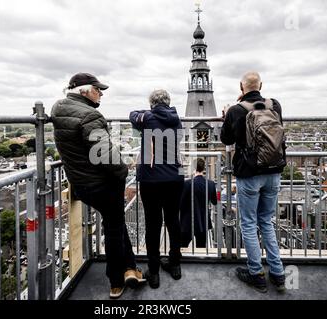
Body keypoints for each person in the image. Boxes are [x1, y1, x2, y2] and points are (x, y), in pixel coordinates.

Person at [51, 72, 145, 299]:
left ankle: (131, 268)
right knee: (114, 229)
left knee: (117, 222)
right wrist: (124, 172)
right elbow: (106, 156)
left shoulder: (58, 109)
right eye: (97, 89)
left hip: (80, 184)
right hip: (102, 185)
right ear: (83, 91)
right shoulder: (90, 115)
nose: (100, 93)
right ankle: (116, 282)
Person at [220, 71, 286, 293]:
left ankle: (256, 273)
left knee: (248, 223)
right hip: (274, 171)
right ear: (261, 85)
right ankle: (277, 273)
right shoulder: (274, 105)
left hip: (249, 173)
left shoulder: (236, 111)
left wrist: (227, 114)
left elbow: (226, 139)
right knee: (266, 221)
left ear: (241, 87)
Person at [129, 89, 184, 289]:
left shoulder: (147, 118)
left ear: (151, 104)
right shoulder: (176, 118)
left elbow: (132, 115)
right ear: (168, 103)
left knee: (153, 224)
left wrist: (149, 111)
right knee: (173, 221)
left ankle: (153, 272)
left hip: (151, 179)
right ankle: (175, 265)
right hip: (175, 177)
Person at [180, 158, 217, 248]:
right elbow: (214, 201)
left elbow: (181, 203)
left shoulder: (187, 184)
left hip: (187, 221)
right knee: (201, 249)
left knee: (182, 247)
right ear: (204, 169)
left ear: (193, 168)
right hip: (203, 222)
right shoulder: (211, 184)